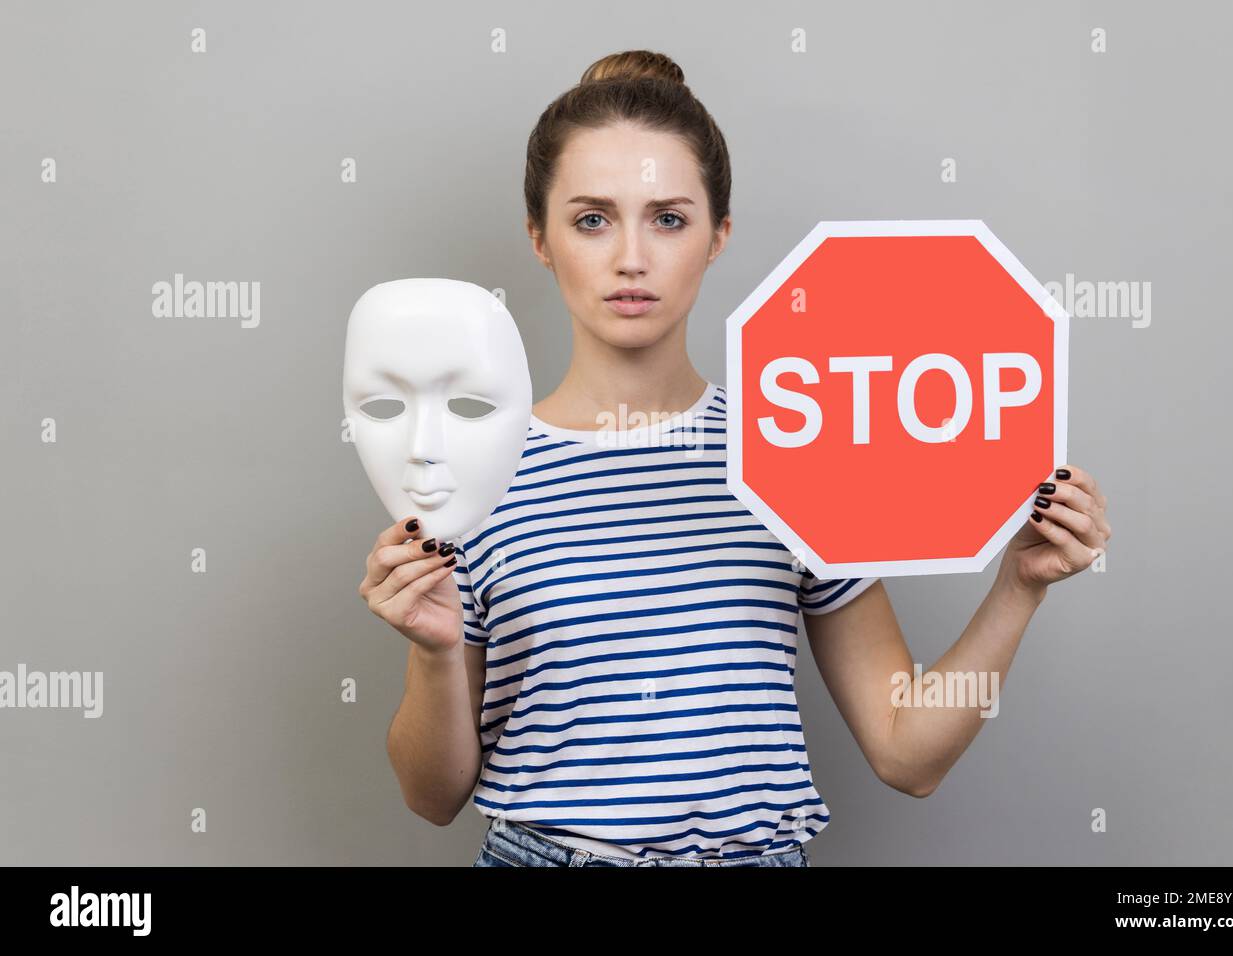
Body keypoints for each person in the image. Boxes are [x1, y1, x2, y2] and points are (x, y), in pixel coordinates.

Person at [360, 50, 1112, 868]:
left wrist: (1019, 586)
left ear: (719, 235)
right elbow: (430, 798)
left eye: (669, 218)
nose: (632, 258)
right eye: (592, 219)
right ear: (539, 237)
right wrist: (435, 652)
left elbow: (907, 752)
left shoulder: (800, 450)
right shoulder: (472, 471)